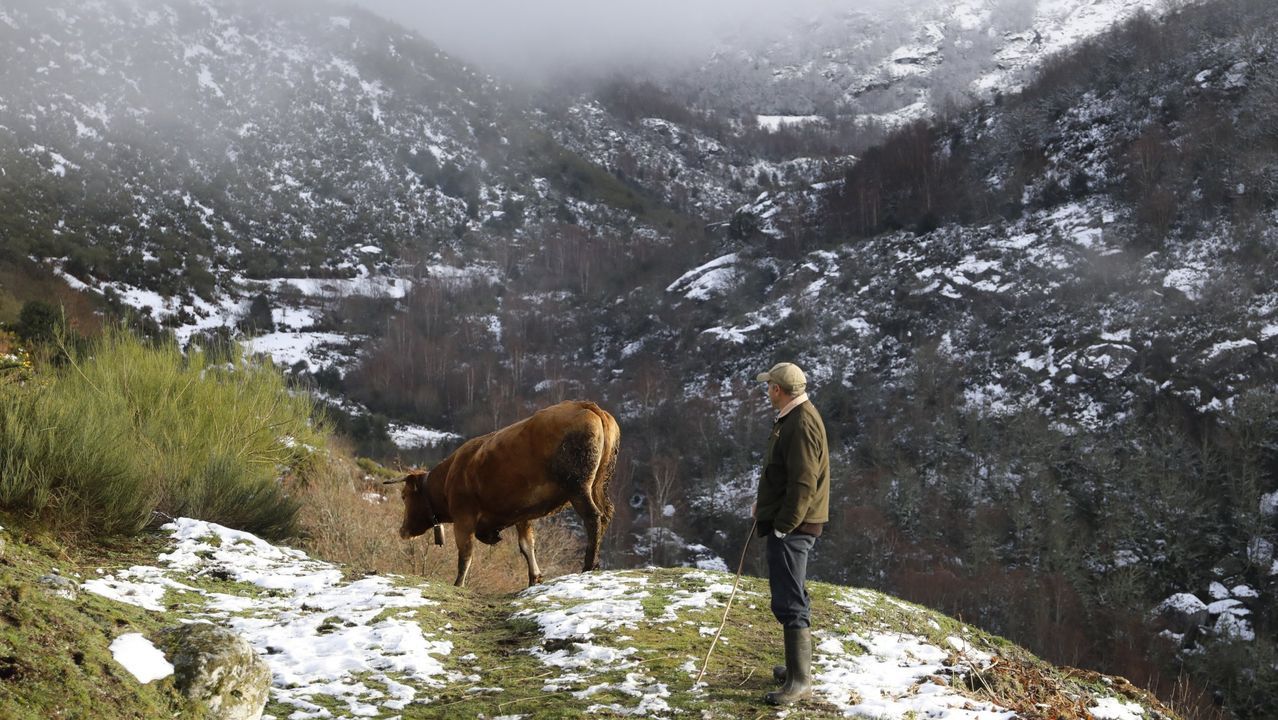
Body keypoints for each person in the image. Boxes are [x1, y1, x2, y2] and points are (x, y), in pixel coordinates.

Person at [752, 361, 830, 706]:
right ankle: (796, 670)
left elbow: (803, 483)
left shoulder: (800, 423)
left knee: (789, 597)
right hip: (790, 523)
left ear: (778, 390)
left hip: (794, 527)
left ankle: (800, 681)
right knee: (791, 590)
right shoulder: (793, 417)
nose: (767, 390)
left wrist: (784, 525)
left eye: (769, 385)